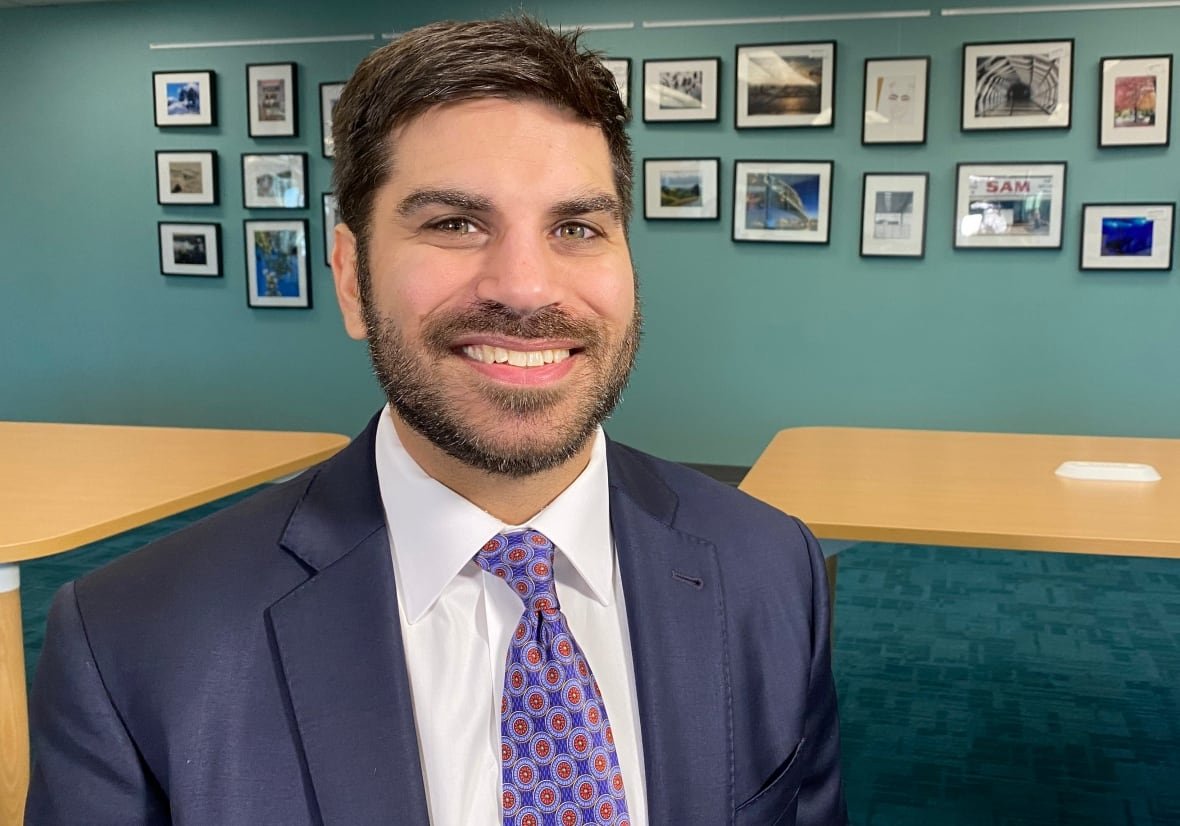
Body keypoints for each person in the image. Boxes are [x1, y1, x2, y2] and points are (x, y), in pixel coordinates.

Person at [25, 16, 845, 826]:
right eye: (454, 224)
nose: (525, 288)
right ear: (352, 279)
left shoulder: (772, 569)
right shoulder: (133, 642)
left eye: (575, 227)